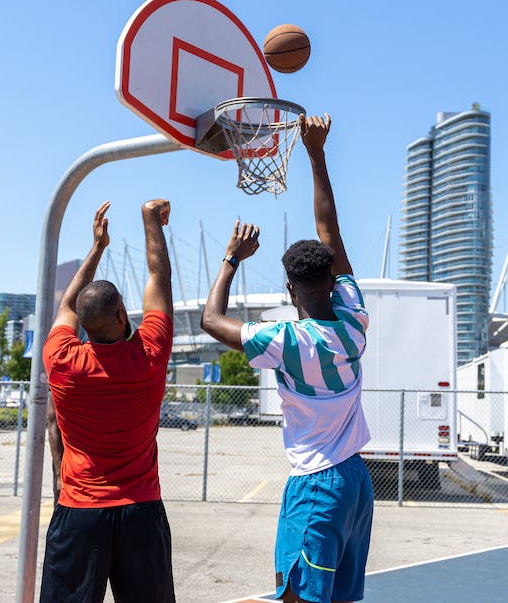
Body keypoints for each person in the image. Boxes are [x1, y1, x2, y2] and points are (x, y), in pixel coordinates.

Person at [200, 115, 373, 603]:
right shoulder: (355, 319)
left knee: (297, 596)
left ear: (290, 289)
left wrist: (232, 258)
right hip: (356, 482)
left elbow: (211, 321)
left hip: (317, 484)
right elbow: (330, 230)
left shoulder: (287, 340)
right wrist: (316, 154)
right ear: (333, 282)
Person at [41, 199, 176, 603]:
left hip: (80, 511)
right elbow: (160, 279)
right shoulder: (148, 355)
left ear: (84, 326)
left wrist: (97, 247)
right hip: (141, 510)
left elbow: (67, 305)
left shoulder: (62, 360)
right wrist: (151, 220)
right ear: (121, 316)